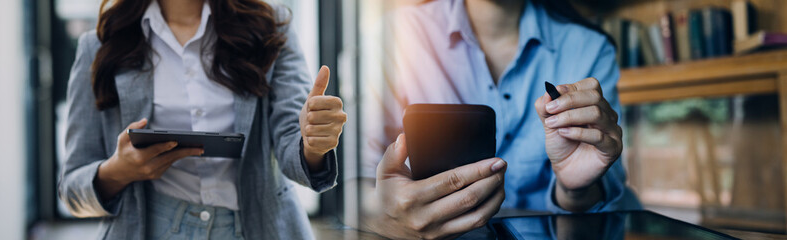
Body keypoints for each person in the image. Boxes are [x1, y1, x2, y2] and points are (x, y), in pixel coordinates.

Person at [58, 0, 347, 239]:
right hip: (151, 228)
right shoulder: (100, 45)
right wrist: (118, 171)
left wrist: (313, 143)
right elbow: (71, 188)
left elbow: (291, 140)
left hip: (260, 227)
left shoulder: (270, 25)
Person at [355, 0, 641, 239]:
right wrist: (384, 216)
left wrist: (575, 190)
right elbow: (353, 186)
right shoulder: (391, 37)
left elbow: (606, 202)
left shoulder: (590, 49)